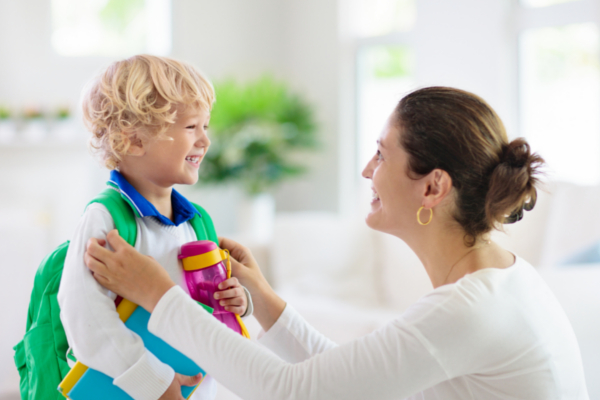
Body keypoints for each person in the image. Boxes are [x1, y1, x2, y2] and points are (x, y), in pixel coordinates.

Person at [84, 87, 589, 400]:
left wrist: (159, 297)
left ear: (432, 187)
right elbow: (343, 385)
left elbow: (292, 392)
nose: (367, 170)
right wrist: (263, 299)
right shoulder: (500, 282)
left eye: (380, 154)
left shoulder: (470, 309)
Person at [57, 55, 252, 400]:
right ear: (133, 140)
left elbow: (208, 310)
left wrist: (238, 301)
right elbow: (84, 315)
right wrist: (153, 381)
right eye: (191, 127)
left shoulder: (197, 221)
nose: (205, 140)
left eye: (206, 126)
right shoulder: (108, 218)